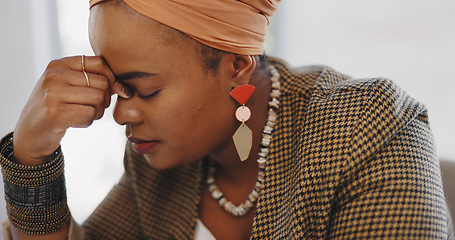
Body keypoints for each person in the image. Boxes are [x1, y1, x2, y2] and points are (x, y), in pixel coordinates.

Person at [0, 0, 452, 239]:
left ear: (236, 64)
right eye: (117, 88)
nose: (122, 113)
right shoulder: (157, 157)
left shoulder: (365, 130)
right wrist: (32, 159)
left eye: (147, 90)